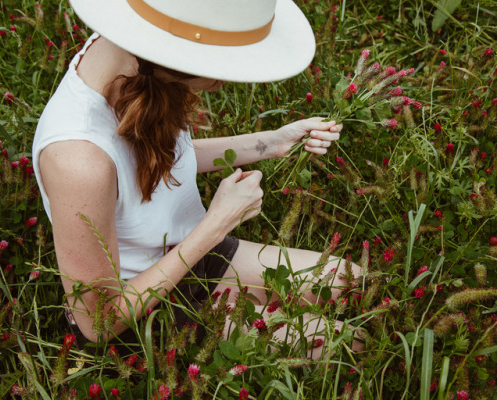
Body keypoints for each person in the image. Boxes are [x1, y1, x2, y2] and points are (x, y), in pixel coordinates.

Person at [32, 0, 361, 355]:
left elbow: (155, 162)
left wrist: (271, 142)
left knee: (354, 282)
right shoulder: (78, 160)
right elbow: (99, 321)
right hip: (143, 308)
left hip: (190, 253)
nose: (223, 81)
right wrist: (215, 225)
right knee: (347, 344)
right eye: (221, 62)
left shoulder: (129, 56)